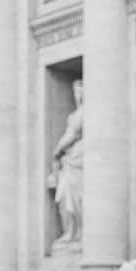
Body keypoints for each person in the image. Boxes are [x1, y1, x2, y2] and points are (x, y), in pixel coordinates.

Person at [49, 79, 83, 246]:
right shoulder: (73, 115)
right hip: (70, 160)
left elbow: (73, 134)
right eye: (76, 91)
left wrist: (57, 150)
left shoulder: (84, 113)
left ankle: (78, 232)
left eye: (81, 90)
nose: (78, 95)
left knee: (77, 196)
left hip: (79, 157)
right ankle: (70, 231)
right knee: (63, 196)